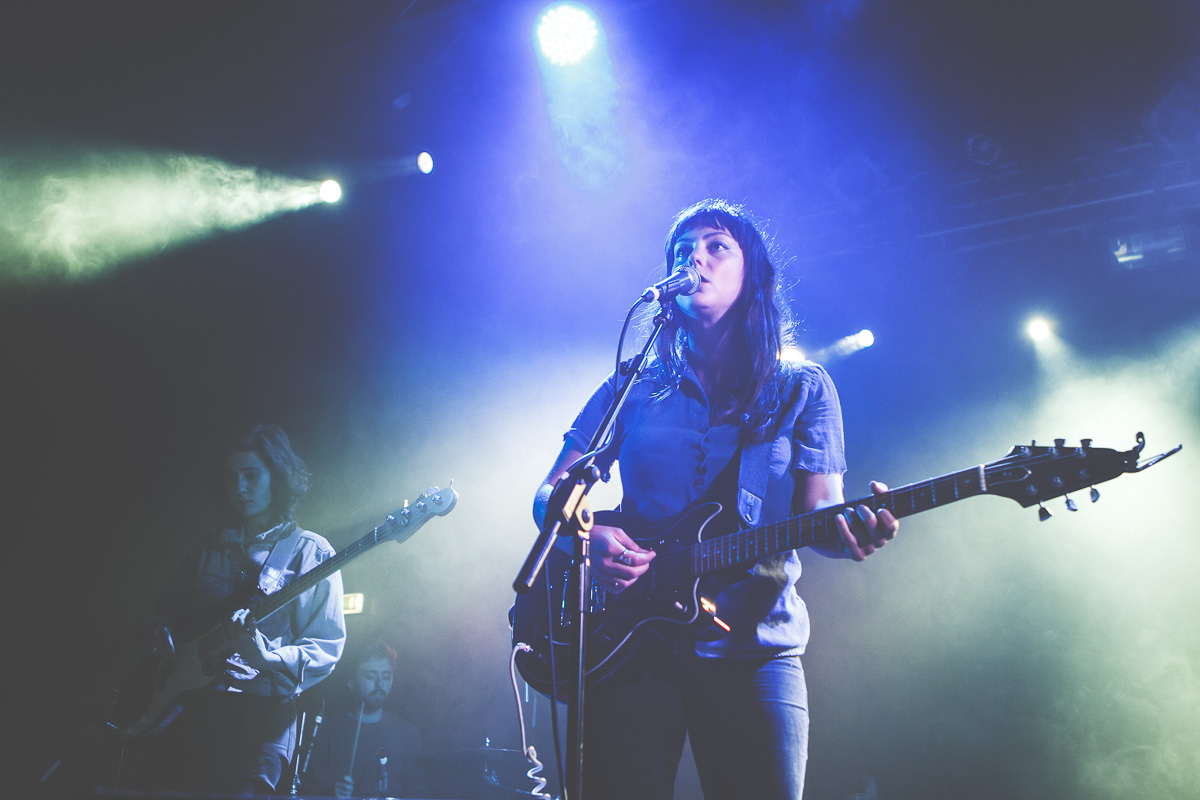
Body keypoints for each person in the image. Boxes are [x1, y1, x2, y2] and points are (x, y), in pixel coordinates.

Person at [532, 199, 899, 800]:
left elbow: (819, 517)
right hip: (631, 643)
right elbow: (551, 493)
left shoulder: (800, 388)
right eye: (681, 251)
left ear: (751, 273)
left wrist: (854, 529)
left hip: (754, 647)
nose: (693, 260)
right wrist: (585, 535)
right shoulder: (633, 385)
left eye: (714, 247)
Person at [128, 423, 346, 795]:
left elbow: (326, 646)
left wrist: (270, 659)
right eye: (231, 478)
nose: (240, 488)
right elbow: (165, 613)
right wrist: (159, 635)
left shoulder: (310, 552)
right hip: (194, 712)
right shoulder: (206, 548)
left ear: (276, 478)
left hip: (264, 718)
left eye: (251, 475)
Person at [304, 640, 425, 797]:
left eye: (386, 676)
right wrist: (331, 794)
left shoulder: (407, 735)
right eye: (370, 676)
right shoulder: (329, 731)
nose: (379, 684)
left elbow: (418, 793)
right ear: (351, 681)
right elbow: (308, 790)